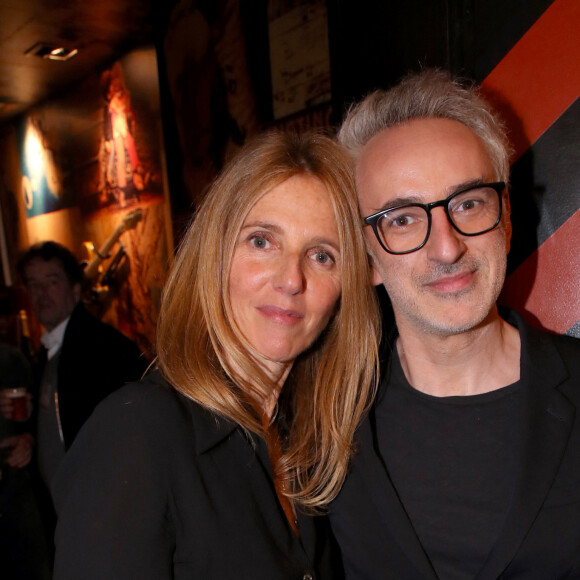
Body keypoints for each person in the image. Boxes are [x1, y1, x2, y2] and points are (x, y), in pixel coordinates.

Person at [52, 131, 380, 579]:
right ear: (214, 253)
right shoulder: (136, 432)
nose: (291, 279)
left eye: (322, 255)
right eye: (261, 241)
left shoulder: (306, 447)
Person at [329, 69, 580, 579]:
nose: (447, 247)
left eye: (468, 204)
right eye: (401, 219)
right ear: (367, 257)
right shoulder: (324, 419)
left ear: (505, 219)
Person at [16, 242, 148, 504]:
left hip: (104, 509)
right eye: (33, 284)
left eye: (51, 281)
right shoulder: (47, 351)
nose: (41, 293)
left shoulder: (105, 348)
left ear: (76, 290)